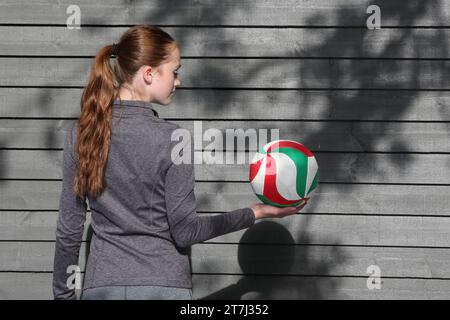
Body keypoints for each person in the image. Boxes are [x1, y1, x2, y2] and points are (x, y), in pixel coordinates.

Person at [52, 25, 306, 300]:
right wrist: (255, 212)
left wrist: (63, 296)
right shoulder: (174, 139)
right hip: (163, 286)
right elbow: (186, 232)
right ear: (149, 73)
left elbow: (70, 227)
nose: (178, 81)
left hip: (102, 287)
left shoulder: (81, 135)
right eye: (174, 72)